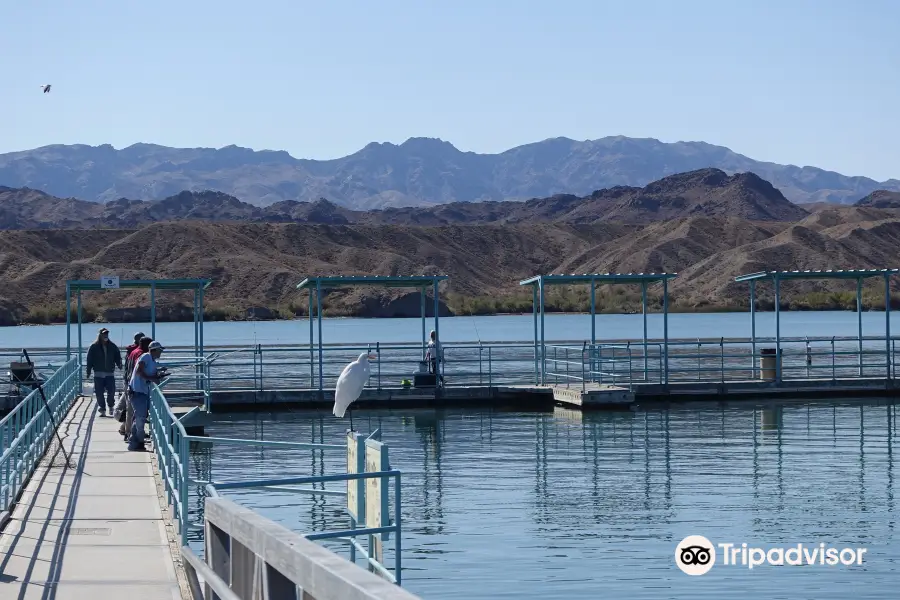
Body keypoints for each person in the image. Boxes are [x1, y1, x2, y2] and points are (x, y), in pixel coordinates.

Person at [128, 340, 165, 451]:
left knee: (140, 416)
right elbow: (140, 371)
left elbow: (150, 375)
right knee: (140, 417)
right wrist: (152, 378)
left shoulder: (153, 361)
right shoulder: (146, 356)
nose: (161, 352)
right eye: (160, 350)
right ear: (154, 350)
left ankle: (135, 441)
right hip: (137, 391)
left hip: (144, 392)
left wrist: (159, 373)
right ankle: (138, 441)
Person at [85, 327, 123, 416]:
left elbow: (117, 356)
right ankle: (102, 408)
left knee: (111, 391)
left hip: (110, 372)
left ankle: (111, 406)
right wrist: (88, 371)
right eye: (103, 334)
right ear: (100, 335)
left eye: (106, 334)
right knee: (99, 392)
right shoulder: (93, 347)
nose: (105, 335)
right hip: (98, 373)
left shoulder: (113, 346)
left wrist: (119, 364)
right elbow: (89, 359)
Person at [120, 336, 151, 439]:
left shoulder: (132, 351)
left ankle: (128, 431)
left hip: (128, 381)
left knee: (131, 409)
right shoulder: (141, 354)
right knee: (134, 411)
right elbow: (139, 370)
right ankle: (131, 434)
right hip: (134, 385)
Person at [115, 332, 144, 423]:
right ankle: (129, 431)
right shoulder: (138, 352)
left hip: (127, 379)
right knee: (131, 408)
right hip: (133, 382)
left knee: (128, 405)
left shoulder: (130, 351)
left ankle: (125, 427)